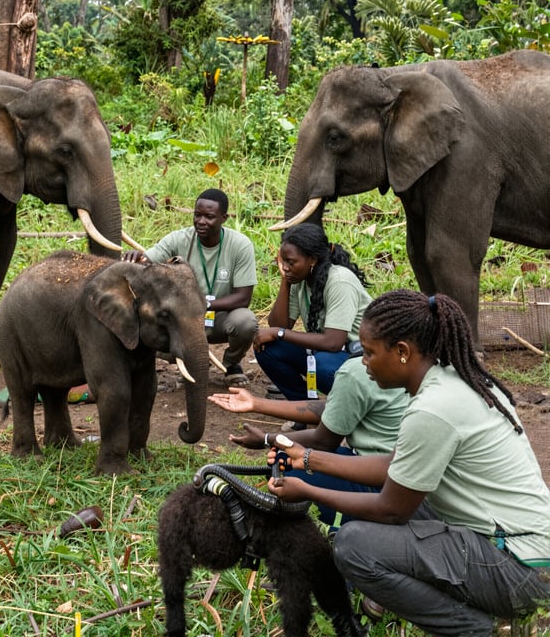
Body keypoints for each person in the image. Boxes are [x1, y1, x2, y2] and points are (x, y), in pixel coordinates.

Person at [267, 290, 550, 636]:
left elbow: (391, 510)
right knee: (396, 507)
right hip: (525, 548)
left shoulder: (433, 408)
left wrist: (307, 489)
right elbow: (397, 466)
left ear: (402, 352)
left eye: (370, 353)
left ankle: (475, 629)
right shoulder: (453, 380)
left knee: (354, 545)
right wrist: (309, 459)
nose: (363, 363)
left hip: (521, 570)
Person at [208, 356, 408, 528]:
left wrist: (267, 440)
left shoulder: (356, 372)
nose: (364, 358)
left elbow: (323, 441)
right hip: (395, 475)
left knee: (293, 470)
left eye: (368, 349)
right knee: (287, 457)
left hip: (389, 491)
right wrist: (256, 404)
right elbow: (334, 407)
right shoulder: (424, 368)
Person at [124, 188, 257, 384]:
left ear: (224, 218)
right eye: (197, 215)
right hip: (182, 318)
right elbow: (147, 261)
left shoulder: (240, 245)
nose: (201, 221)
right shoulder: (179, 238)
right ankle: (190, 360)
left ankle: (231, 363)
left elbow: (243, 298)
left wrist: (204, 304)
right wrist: (136, 259)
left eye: (209, 217)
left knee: (246, 321)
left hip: (219, 317)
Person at [254, 223, 371, 400]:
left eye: (291, 262)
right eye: (282, 261)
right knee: (268, 347)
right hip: (327, 352)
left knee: (321, 365)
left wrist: (279, 333)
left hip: (361, 358)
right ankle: (302, 407)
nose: (285, 267)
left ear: (313, 260)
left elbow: (333, 342)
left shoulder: (340, 281)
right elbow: (279, 325)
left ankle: (349, 406)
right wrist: (285, 282)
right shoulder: (299, 278)